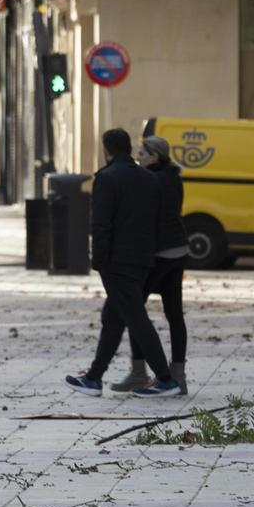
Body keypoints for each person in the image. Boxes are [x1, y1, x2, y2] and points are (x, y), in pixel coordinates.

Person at [66, 128, 180, 398]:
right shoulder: (148, 178)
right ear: (128, 148)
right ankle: (94, 377)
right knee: (113, 317)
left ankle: (165, 378)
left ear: (107, 150)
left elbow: (101, 224)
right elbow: (157, 219)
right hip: (142, 259)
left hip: (117, 262)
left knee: (135, 318)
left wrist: (99, 262)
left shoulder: (107, 179)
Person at [110, 136, 189, 394]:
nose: (138, 158)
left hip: (160, 253)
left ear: (154, 157)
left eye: (142, 153)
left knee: (134, 311)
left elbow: (147, 219)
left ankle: (139, 372)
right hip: (178, 250)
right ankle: (178, 374)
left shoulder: (151, 181)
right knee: (174, 313)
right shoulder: (173, 177)